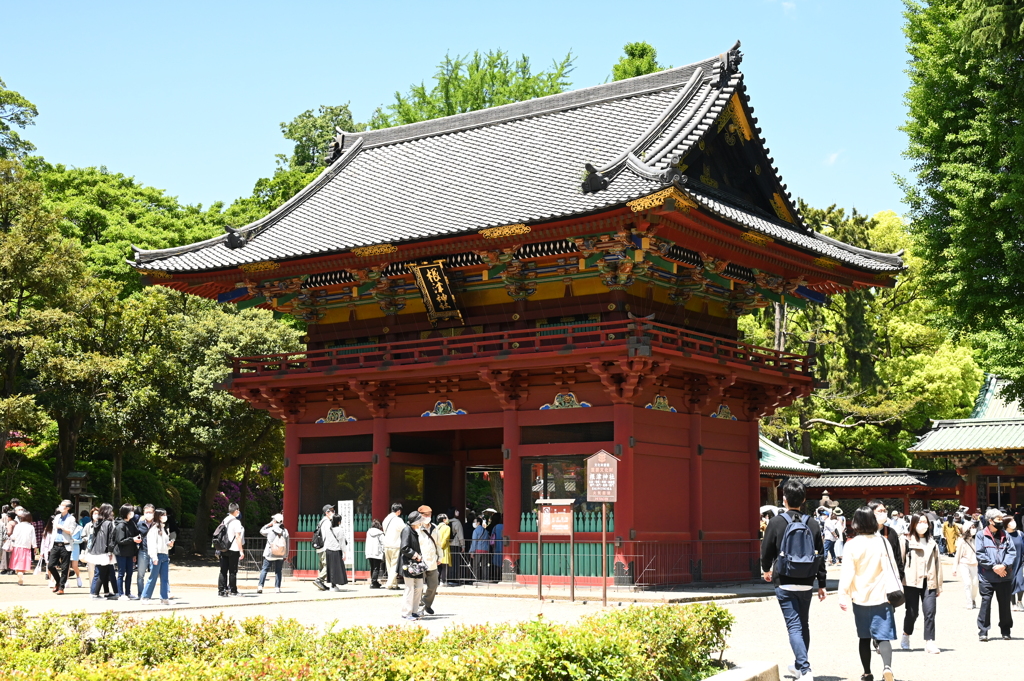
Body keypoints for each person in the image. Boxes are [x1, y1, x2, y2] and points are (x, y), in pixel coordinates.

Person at [759, 479, 827, 681]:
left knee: (794, 626)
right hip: (806, 580)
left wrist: (765, 569)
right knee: (803, 624)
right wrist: (821, 584)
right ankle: (799, 665)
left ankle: (805, 670)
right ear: (804, 500)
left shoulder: (776, 522)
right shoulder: (812, 523)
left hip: (785, 579)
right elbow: (820, 556)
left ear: (784, 499)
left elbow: (766, 550)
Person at [840, 506, 899, 681]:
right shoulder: (882, 541)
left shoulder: (852, 545)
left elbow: (847, 572)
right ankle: (887, 667)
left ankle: (867, 672)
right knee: (883, 636)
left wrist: (843, 594)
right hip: (882, 595)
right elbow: (893, 568)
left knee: (864, 636)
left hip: (860, 596)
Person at [900, 514, 942, 654]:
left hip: (928, 581)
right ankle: (906, 635)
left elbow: (938, 564)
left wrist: (938, 585)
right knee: (912, 612)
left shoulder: (932, 543)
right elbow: (900, 563)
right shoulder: (906, 540)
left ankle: (930, 642)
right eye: (920, 522)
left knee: (930, 612)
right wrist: (899, 583)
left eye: (925, 522)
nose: (923, 524)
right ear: (913, 524)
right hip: (911, 582)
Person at [976, 508, 1017, 641]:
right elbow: (980, 554)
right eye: (998, 519)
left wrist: (1004, 566)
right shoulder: (981, 535)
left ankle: (1005, 630)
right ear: (990, 521)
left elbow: (1012, 552)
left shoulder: (1006, 534)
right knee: (986, 603)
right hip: (987, 576)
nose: (1001, 521)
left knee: (1005, 604)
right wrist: (994, 566)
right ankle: (983, 630)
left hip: (1005, 575)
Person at [85, 504, 117, 600]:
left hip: (95, 550)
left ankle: (103, 592)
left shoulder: (97, 523)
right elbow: (111, 539)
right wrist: (110, 552)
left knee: (102, 572)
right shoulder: (109, 523)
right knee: (101, 573)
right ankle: (94, 593)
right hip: (105, 551)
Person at [399, 510, 427, 620]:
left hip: (416, 564)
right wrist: (415, 555)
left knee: (419, 587)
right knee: (409, 588)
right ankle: (406, 612)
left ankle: (414, 611)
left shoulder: (415, 530)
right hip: (408, 563)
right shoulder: (407, 530)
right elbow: (404, 547)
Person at [141, 508, 172, 605]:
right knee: (153, 577)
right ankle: (145, 597)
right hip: (157, 555)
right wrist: (154, 557)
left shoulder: (163, 528)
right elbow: (152, 544)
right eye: (163, 515)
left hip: (165, 555)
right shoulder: (154, 529)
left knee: (165, 578)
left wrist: (169, 545)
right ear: (158, 516)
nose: (165, 517)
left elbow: (163, 543)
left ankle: (164, 598)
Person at [47, 500, 77, 595]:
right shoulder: (57, 517)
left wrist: (62, 527)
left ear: (67, 507)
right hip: (55, 544)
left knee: (65, 567)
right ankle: (58, 581)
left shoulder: (71, 518)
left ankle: (61, 587)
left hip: (66, 545)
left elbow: (71, 531)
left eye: (62, 505)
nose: (60, 506)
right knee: (51, 565)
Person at [113, 504, 141, 600]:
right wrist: (132, 539)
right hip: (121, 552)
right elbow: (120, 540)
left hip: (130, 552)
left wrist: (134, 553)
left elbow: (137, 533)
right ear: (126, 513)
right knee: (121, 573)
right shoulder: (120, 525)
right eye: (130, 511)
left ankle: (128, 593)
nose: (132, 513)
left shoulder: (131, 523)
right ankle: (121, 594)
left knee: (130, 572)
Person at [216, 503, 244, 597]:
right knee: (233, 571)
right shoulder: (236, 522)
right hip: (233, 549)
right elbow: (238, 537)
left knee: (223, 570)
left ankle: (221, 590)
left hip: (223, 548)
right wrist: (241, 551)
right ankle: (233, 590)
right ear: (236, 511)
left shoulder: (225, 520)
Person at [257, 513, 289, 594]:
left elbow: (261, 531)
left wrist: (269, 524)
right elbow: (287, 543)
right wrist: (286, 554)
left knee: (264, 570)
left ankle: (260, 586)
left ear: (275, 521)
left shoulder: (270, 530)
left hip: (270, 553)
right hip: (281, 554)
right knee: (278, 571)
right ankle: (277, 588)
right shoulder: (285, 531)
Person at [953, 519, 980, 609]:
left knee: (975, 583)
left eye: (974, 527)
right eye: (971, 527)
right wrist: (954, 568)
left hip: (975, 564)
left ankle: (973, 599)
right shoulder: (961, 541)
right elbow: (957, 555)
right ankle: (969, 601)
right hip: (964, 563)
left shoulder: (977, 540)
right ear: (966, 529)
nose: (973, 529)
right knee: (967, 583)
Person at [8, 510, 36, 585]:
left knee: (16, 561)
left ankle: (19, 573)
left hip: (17, 546)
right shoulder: (31, 527)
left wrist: (10, 537)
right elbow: (33, 538)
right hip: (26, 547)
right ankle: (21, 573)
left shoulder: (18, 526)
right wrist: (35, 547)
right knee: (24, 562)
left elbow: (14, 536)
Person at [382, 503, 405, 590]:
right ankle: (389, 584)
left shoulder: (386, 519)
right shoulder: (398, 520)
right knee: (395, 566)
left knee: (389, 565)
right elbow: (404, 530)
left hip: (386, 544)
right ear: (398, 511)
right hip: (395, 545)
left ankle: (394, 584)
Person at [323, 511, 348, 591]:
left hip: (328, 550)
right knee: (337, 568)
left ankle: (332, 584)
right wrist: (344, 552)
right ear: (338, 521)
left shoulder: (328, 529)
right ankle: (334, 586)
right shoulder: (339, 530)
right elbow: (342, 542)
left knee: (331, 568)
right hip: (336, 550)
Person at [312, 504, 335, 592]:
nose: (334, 512)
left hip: (319, 548)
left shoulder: (321, 521)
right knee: (328, 565)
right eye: (332, 511)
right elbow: (328, 536)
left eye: (333, 510)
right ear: (327, 512)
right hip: (325, 547)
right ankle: (319, 580)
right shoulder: (327, 522)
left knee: (322, 566)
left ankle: (321, 584)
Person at [1004, 515, 1024, 612]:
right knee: (1011, 583)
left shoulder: (1020, 534)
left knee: (1020, 582)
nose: (1013, 522)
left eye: (1013, 520)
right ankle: (1013, 603)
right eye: (1011, 521)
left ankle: (1020, 601)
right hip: (1009, 564)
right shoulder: (1004, 535)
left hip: (1020, 562)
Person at [135, 504, 155, 597]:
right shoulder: (139, 524)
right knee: (140, 574)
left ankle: (148, 593)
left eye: (150, 512)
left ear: (154, 513)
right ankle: (141, 594)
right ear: (143, 513)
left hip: (154, 552)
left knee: (153, 574)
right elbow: (136, 537)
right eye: (146, 512)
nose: (148, 514)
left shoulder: (157, 524)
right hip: (143, 550)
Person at [446, 508, 465, 586]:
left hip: (448, 545)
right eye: (456, 511)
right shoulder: (457, 522)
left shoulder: (447, 522)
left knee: (449, 563)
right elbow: (460, 535)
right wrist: (463, 545)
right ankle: (455, 579)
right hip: (456, 544)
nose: (458, 512)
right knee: (456, 563)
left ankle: (449, 578)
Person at [365, 519, 385, 589]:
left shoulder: (368, 532)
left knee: (372, 567)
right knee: (376, 568)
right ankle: (374, 583)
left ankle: (374, 582)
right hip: (377, 552)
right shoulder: (380, 533)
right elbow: (383, 543)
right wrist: (383, 551)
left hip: (369, 552)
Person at [470, 516, 490, 582]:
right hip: (485, 550)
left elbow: (474, 541)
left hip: (478, 550)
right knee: (485, 565)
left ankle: (476, 578)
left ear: (478, 523)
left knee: (476, 565)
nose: (474, 523)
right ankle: (485, 579)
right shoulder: (486, 531)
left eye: (475, 522)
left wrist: (472, 551)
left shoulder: (475, 531)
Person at [435, 514, 451, 586]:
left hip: (436, 549)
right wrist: (441, 547)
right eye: (447, 518)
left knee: (438, 566)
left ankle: (437, 581)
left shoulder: (436, 527)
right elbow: (445, 538)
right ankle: (443, 581)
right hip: (444, 549)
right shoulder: (447, 528)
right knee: (444, 566)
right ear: (444, 519)